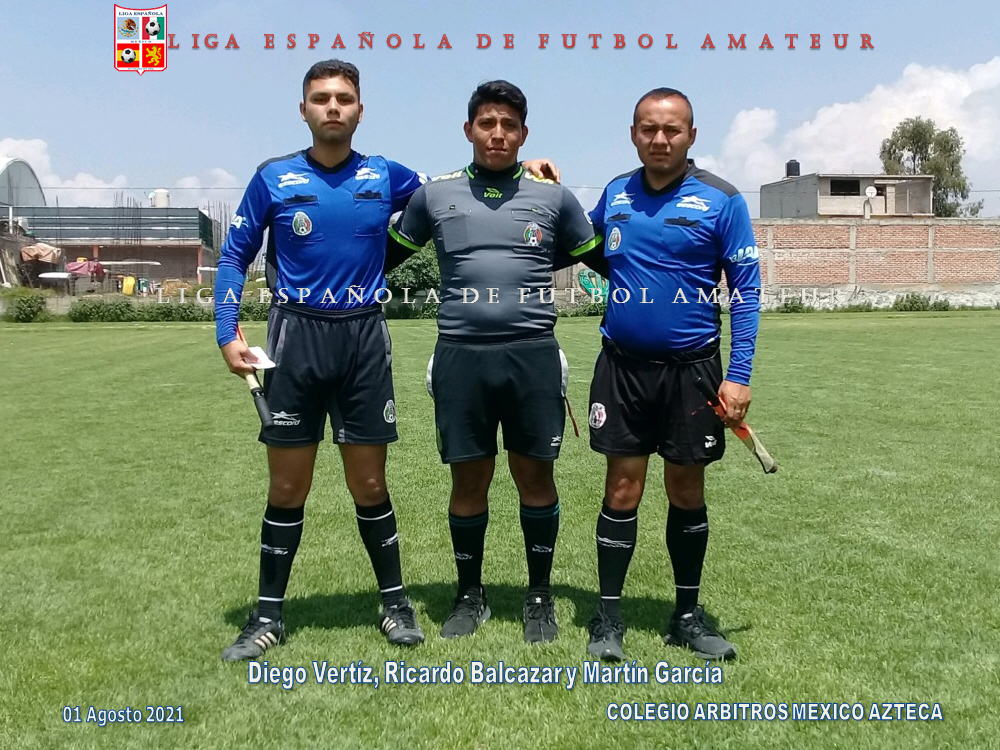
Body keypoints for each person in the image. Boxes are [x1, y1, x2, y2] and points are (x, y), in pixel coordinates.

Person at [214, 61, 560, 662]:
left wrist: (520, 168)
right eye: (321, 98)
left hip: (364, 339)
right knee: (288, 485)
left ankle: (396, 604)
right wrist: (227, 334)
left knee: (370, 482)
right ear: (303, 109)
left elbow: (459, 183)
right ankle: (267, 615)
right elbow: (232, 257)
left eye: (344, 98)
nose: (332, 107)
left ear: (359, 110)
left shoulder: (388, 175)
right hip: (295, 338)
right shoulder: (272, 177)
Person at [387, 80, 599, 643]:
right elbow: (379, 257)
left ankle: (539, 596)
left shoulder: (554, 198)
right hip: (461, 358)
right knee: (468, 479)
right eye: (488, 123)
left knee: (536, 476)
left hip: (532, 356)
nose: (498, 133)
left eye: (509, 125)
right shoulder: (434, 196)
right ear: (469, 130)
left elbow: (606, 255)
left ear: (524, 134)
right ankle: (469, 594)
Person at [582, 88, 761, 662]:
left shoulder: (722, 200)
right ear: (634, 133)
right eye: (648, 129)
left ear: (691, 135)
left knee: (686, 488)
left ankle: (686, 615)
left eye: (672, 129)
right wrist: (539, 184)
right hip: (623, 369)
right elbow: (583, 244)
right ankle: (608, 618)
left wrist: (738, 375)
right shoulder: (615, 192)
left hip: (693, 373)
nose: (660, 139)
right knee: (622, 488)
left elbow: (747, 292)